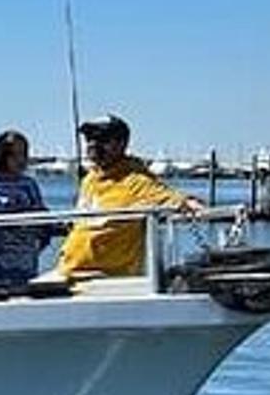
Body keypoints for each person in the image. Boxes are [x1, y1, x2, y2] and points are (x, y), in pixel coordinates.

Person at [55, 114, 200, 281]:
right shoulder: (90, 179)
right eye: (89, 138)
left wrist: (190, 204)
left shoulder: (136, 181)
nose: (93, 144)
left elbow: (171, 198)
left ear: (121, 143)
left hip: (105, 279)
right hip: (69, 271)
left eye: (102, 138)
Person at [0, 129, 53, 295]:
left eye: (24, 154)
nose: (20, 160)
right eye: (14, 154)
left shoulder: (29, 184)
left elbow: (41, 219)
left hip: (23, 266)